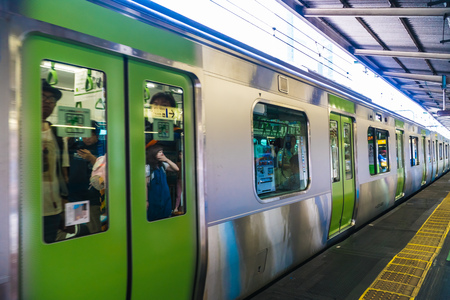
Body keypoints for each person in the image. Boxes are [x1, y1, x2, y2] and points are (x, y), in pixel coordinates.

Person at [41, 79, 68, 243]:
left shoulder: (58, 135)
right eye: (42, 97)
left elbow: (63, 174)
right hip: (22, 210)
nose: (47, 102)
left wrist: (65, 205)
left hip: (53, 209)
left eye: (51, 99)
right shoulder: (16, 130)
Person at [67, 121, 103, 234]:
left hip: (93, 198)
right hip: (76, 196)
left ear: (96, 135)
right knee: (77, 231)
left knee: (93, 230)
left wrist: (91, 158)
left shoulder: (102, 148)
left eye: (90, 134)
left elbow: (105, 171)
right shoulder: (77, 147)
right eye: (84, 134)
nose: (86, 138)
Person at [146, 144, 179, 221]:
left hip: (165, 197)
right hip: (154, 198)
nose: (162, 154)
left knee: (166, 216)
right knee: (154, 217)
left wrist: (167, 160)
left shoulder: (163, 165)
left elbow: (176, 169)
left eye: (162, 152)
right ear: (153, 154)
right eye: (159, 152)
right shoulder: (147, 167)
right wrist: (146, 200)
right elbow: (145, 186)